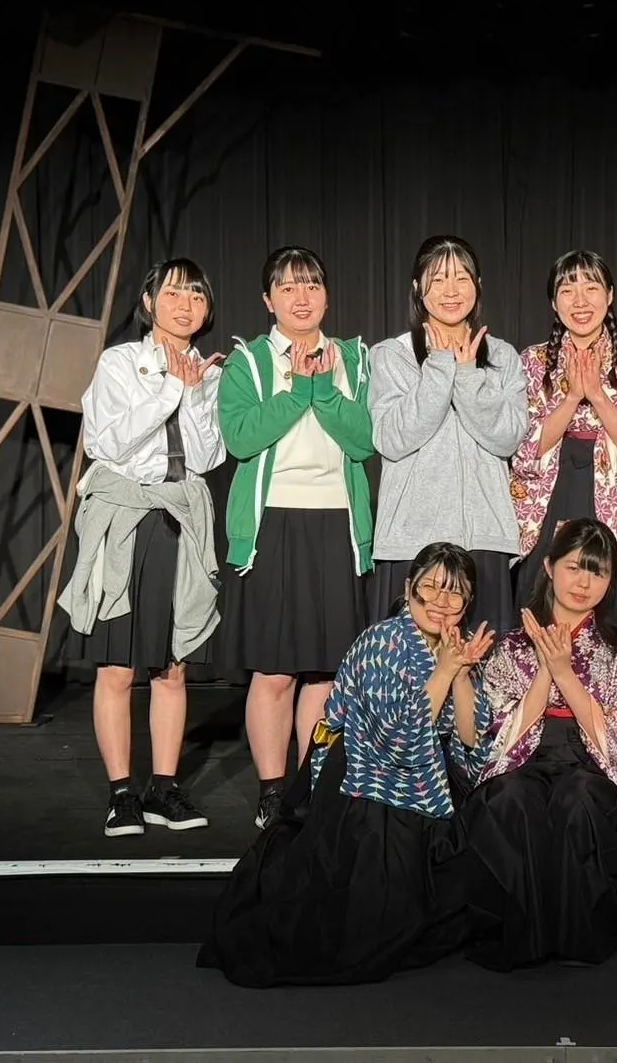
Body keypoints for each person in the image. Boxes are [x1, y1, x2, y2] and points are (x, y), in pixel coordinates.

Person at [198, 543, 495, 987]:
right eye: (431, 587)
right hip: (366, 773)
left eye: (455, 593)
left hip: (428, 771)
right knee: (368, 922)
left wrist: (462, 672)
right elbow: (397, 740)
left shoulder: (454, 646)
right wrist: (443, 673)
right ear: (408, 588)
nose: (441, 602)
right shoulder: (382, 643)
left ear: (468, 602)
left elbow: (470, 738)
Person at [57, 258, 225, 838]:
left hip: (179, 517)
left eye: (196, 296)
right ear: (150, 302)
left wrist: (196, 394)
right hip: (124, 518)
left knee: (171, 667)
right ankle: (121, 794)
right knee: (116, 667)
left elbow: (206, 458)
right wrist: (173, 387)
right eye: (173, 293)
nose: (185, 305)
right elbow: (109, 443)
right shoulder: (120, 362)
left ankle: (164, 788)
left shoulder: (207, 372)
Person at [217, 246, 375, 831]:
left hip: (337, 522)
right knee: (275, 671)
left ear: (327, 295)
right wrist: (296, 392)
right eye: (287, 288)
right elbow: (240, 438)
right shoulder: (249, 362)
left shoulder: (354, 358)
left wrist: (324, 389)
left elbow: (364, 441)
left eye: (311, 285)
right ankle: (271, 789)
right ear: (268, 300)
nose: (301, 298)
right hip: (273, 526)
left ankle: (312, 783)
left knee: (326, 672)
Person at [462, 518, 617, 970]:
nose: (583, 583)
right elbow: (498, 730)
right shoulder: (513, 645)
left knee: (578, 799)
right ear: (549, 567)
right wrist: (547, 665)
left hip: (591, 762)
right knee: (511, 798)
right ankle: (521, 936)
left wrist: (565, 672)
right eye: (573, 567)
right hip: (527, 756)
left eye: (597, 571)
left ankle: (579, 934)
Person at [368, 235, 528, 635]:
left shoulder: (502, 356)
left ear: (478, 285)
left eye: (461, 278)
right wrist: (440, 367)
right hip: (411, 540)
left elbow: (507, 438)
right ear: (417, 288)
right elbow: (392, 439)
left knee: (483, 662)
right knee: (408, 664)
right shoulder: (391, 355)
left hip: (484, 538)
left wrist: (469, 375)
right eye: (438, 279)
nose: (451, 290)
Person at [510, 250, 617, 645]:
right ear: (553, 302)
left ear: (610, 295)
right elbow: (522, 450)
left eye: (591, 288)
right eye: (568, 290)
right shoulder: (532, 362)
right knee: (545, 613)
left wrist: (597, 395)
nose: (580, 301)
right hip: (554, 490)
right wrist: (570, 399)